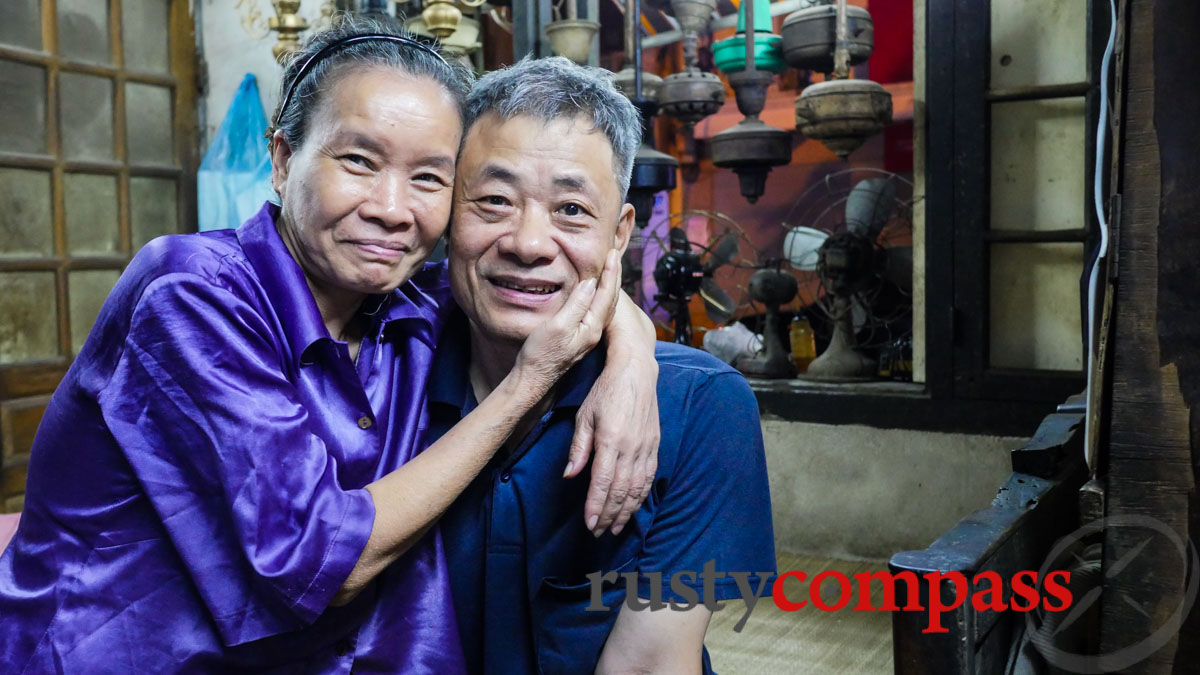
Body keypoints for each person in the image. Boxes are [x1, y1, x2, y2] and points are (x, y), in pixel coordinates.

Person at [0, 22, 662, 673]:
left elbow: (540, 271)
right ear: (283, 159)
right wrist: (529, 382)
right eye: (359, 161)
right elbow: (317, 560)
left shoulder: (411, 301)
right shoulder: (191, 294)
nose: (391, 207)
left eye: (430, 178)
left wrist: (634, 360)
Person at [431, 57, 777, 674]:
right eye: (493, 200)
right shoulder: (383, 362)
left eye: (571, 210)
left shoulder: (701, 409)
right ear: (447, 215)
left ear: (619, 236)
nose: (528, 243)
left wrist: (634, 356)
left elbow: (647, 667)